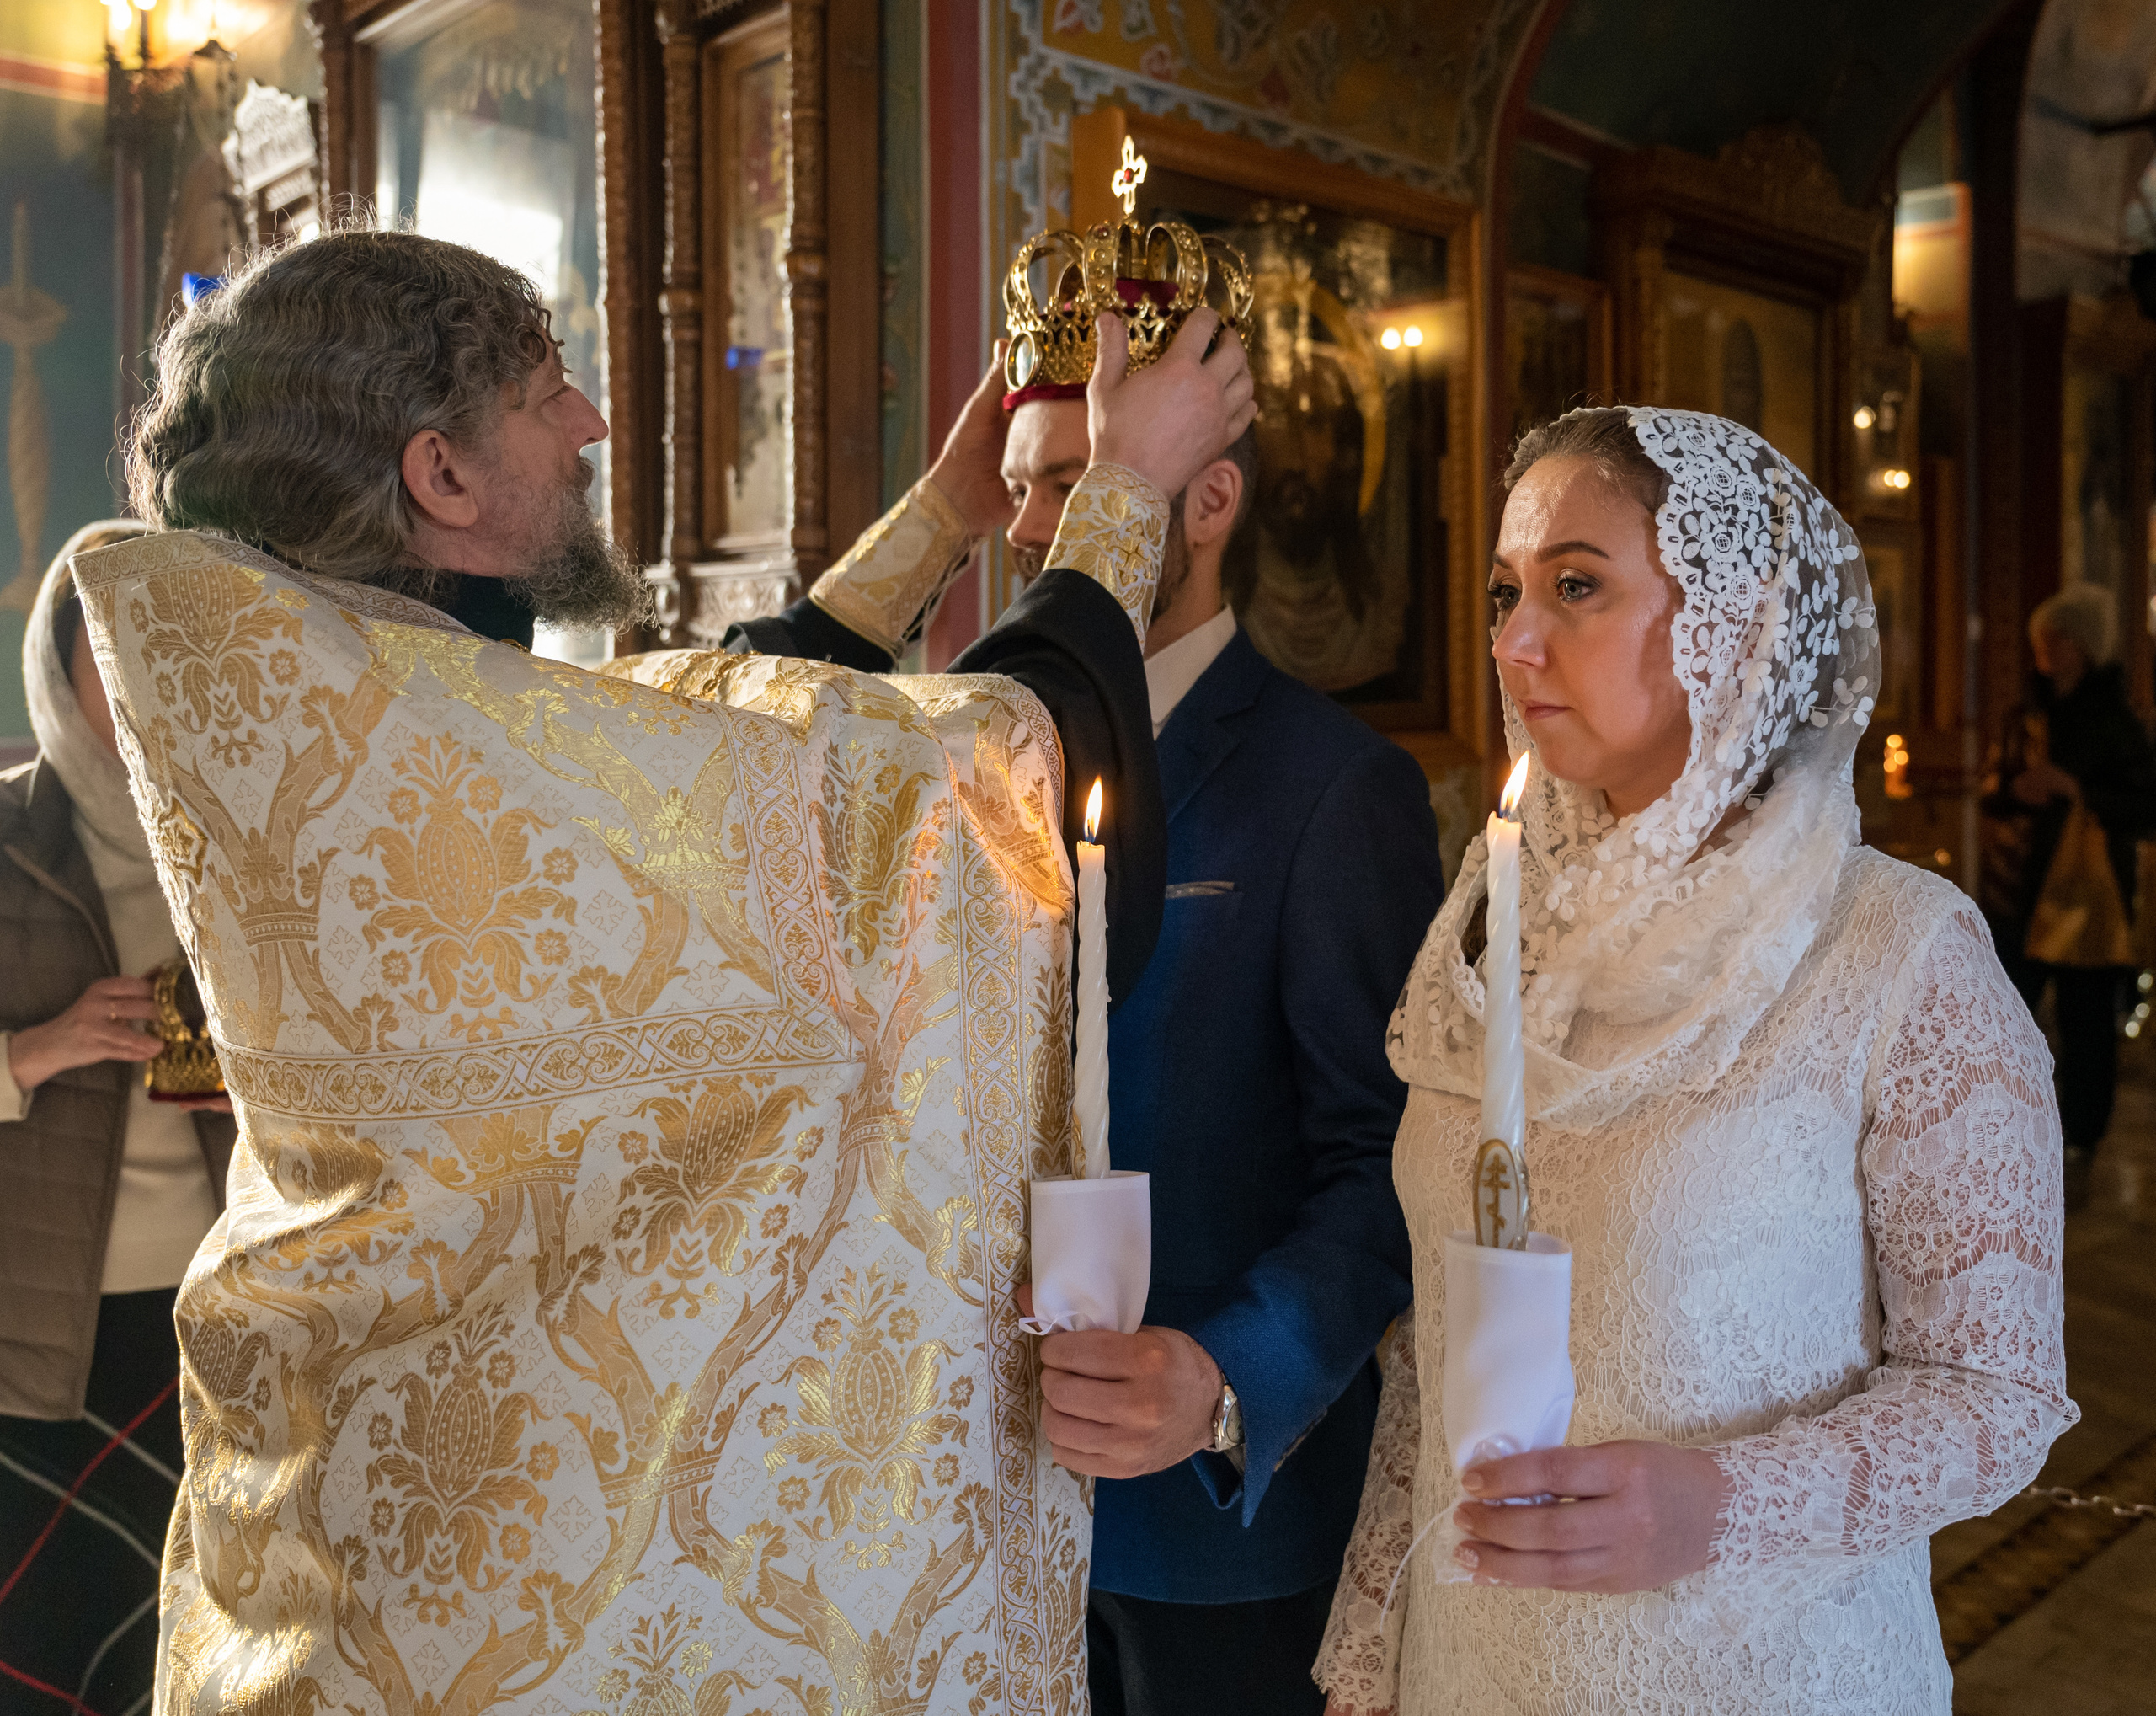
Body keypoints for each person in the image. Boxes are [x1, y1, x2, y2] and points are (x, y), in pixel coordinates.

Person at [84, 227, 1249, 1713]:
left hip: (360, 1554)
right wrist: (1122, 503)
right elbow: (983, 794)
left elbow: (705, 746)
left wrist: (952, 514)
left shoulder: (356, 716)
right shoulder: (464, 745)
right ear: (441, 476)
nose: (592, 423)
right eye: (548, 389)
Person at [1315, 407, 2075, 1713]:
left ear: (1739, 620)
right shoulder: (1494, 919)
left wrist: (1716, 1501)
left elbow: (1996, 1395)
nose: (1513, 641)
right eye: (1506, 593)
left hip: (1756, 1672)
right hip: (1476, 1665)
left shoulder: (1894, 950)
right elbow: (1436, 1338)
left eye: (1576, 586)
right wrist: (1374, 1653)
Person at [984, 323, 1439, 1714]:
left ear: (1209, 497)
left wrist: (1232, 1375)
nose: (1030, 531)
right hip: (978, 1505)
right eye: (1019, 487)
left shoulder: (1332, 786)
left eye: (1074, 481)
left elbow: (1387, 1162)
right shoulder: (973, 754)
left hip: (1208, 1523)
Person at [0, 522, 239, 1713]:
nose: (144, 675)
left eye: (169, 642)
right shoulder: (5, 834)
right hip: (41, 1330)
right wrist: (45, 1047)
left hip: (215, 1312)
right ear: (58, 666)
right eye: (113, 647)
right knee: (48, 1652)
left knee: (194, 1649)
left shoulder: (242, 843)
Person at [1979, 582, 2156, 1207]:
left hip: (2089, 898)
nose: (2044, 651)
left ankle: (2080, 1133)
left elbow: (2144, 804)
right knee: (2003, 1011)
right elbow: (1993, 790)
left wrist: (2078, 789)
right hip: (2019, 888)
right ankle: (2000, 1123)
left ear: (2080, 646)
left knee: (2086, 1023)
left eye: (2056, 639)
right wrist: (2015, 790)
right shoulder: (2025, 715)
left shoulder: (2117, 722)